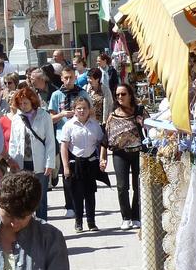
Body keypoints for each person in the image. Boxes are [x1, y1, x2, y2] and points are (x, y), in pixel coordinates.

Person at [6, 87, 56, 220]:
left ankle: (42, 225)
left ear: (33, 101)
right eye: (20, 103)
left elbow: (50, 141)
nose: (23, 106)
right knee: (24, 197)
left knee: (40, 197)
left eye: (26, 103)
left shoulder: (44, 116)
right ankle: (27, 227)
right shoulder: (17, 118)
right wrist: (11, 162)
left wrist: (50, 163)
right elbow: (13, 142)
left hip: (40, 163)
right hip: (22, 163)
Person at [59, 97, 107, 232]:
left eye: (84, 108)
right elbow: (64, 147)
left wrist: (103, 159)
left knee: (90, 193)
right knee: (77, 194)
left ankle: (91, 222)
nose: (82, 111)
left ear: (89, 109)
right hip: (75, 163)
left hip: (90, 163)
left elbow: (102, 142)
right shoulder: (68, 126)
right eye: (78, 108)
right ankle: (78, 222)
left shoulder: (95, 125)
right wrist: (66, 167)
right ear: (74, 110)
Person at [47, 67, 90, 218]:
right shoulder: (56, 95)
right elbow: (50, 118)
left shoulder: (82, 93)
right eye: (65, 78)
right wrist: (62, 114)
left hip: (80, 138)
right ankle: (70, 205)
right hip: (63, 137)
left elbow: (90, 113)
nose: (68, 80)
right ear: (61, 79)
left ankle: (82, 202)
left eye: (71, 77)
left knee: (82, 172)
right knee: (67, 172)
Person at [105, 83, 145, 230]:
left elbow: (151, 131)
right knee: (122, 186)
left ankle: (136, 216)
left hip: (138, 152)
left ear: (130, 95)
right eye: (117, 95)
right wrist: (103, 158)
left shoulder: (140, 111)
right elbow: (106, 138)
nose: (120, 97)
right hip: (119, 154)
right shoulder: (113, 115)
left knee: (138, 185)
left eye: (123, 94)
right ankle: (125, 217)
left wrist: (143, 123)